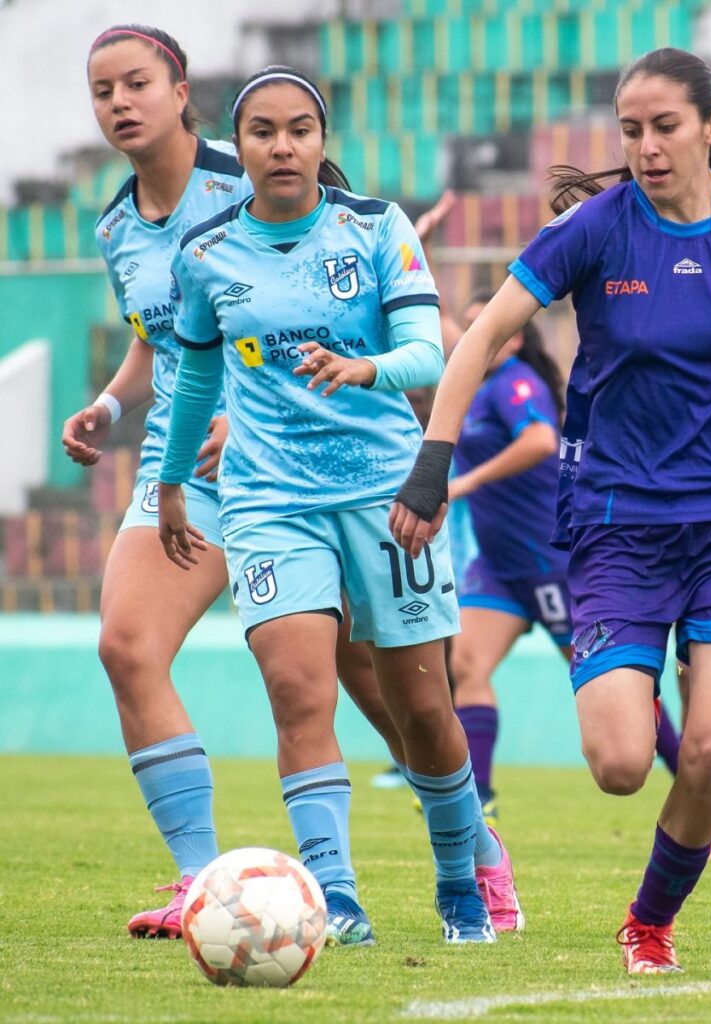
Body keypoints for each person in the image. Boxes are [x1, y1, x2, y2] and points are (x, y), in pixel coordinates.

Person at [390, 47, 711, 974]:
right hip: (618, 528)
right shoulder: (597, 230)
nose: (646, 147)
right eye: (630, 131)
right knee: (616, 763)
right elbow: (486, 334)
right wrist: (431, 461)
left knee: (708, 750)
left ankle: (650, 924)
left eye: (665, 127)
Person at [157, 66, 522, 944]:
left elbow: (429, 355)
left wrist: (365, 368)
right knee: (296, 687)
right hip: (269, 500)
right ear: (235, 147)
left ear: (322, 143)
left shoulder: (375, 228)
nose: (282, 147)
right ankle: (336, 897)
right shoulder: (204, 252)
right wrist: (172, 481)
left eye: (299, 131)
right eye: (262, 133)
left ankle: (459, 881)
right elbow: (198, 375)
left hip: (385, 497)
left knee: (423, 708)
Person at [62, 24, 250, 939]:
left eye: (137, 83)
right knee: (126, 646)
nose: (119, 103)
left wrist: (249, 408)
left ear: (180, 89)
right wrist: (107, 403)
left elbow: (334, 308)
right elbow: (154, 338)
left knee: (381, 687)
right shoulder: (114, 225)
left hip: (300, 461)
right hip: (181, 474)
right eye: (103, 92)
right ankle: (201, 883)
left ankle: (471, 857)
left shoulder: (257, 182)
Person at [445, 291, 572, 821]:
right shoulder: (477, 383)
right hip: (499, 565)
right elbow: (449, 331)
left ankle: (706, 792)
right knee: (465, 664)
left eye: (486, 326)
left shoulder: (516, 380)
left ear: (514, 337)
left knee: (615, 687)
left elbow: (542, 440)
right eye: (471, 327)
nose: (475, 335)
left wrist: (464, 482)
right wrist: (411, 258)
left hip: (552, 561)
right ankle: (480, 798)